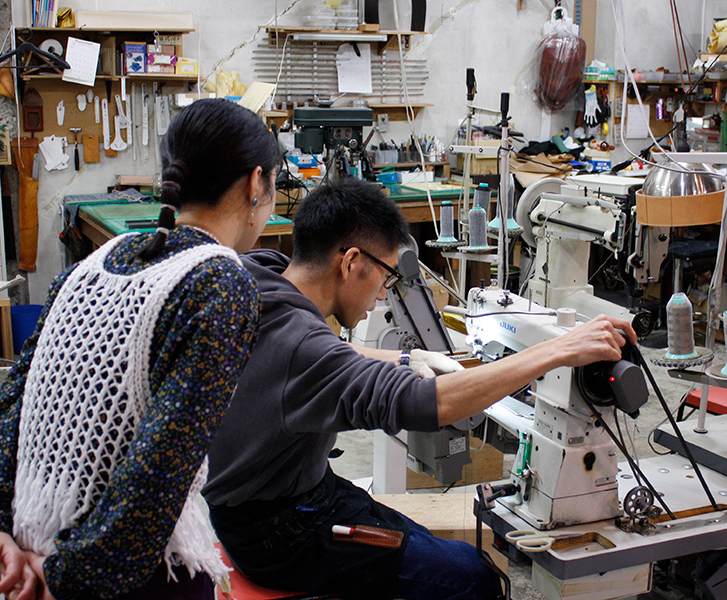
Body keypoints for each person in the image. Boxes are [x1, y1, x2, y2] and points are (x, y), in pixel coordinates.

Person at [203, 177, 636, 600]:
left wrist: (406, 359)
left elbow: (325, 355)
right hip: (281, 533)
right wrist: (558, 349)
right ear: (351, 262)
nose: (381, 295)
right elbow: (426, 403)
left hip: (274, 499)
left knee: (428, 546)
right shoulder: (302, 346)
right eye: (386, 276)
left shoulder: (261, 272)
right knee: (474, 578)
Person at [0, 98, 281, 600]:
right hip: (123, 576)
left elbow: (14, 400)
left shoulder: (95, 262)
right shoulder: (220, 283)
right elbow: (162, 467)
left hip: (30, 543)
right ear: (255, 183)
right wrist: (69, 576)